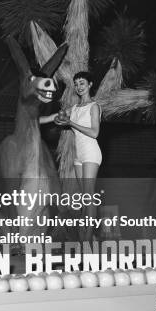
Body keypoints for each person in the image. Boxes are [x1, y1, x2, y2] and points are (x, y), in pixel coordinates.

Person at [40, 71, 101, 241]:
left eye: (82, 83)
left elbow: (95, 132)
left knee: (89, 195)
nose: (78, 87)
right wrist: (34, 120)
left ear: (90, 85)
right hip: (79, 155)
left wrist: (71, 123)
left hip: (91, 153)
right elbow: (54, 117)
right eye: (76, 84)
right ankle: (88, 234)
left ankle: (87, 238)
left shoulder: (94, 106)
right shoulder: (74, 108)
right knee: (84, 197)